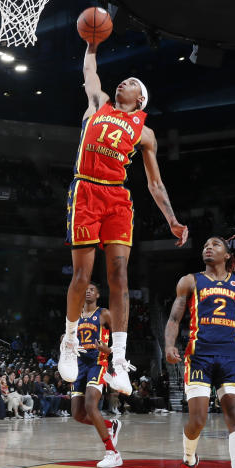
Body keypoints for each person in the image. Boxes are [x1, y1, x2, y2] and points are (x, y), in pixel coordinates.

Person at [59, 39, 189, 397]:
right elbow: (89, 72)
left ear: (140, 99)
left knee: (119, 276)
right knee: (83, 276)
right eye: (123, 81)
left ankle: (118, 359)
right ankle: (68, 342)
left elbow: (155, 183)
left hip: (117, 197)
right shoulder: (98, 103)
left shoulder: (145, 133)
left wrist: (172, 220)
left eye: (131, 83)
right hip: (85, 190)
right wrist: (90, 45)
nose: (123, 83)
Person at [164, 237, 235, 468]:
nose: (208, 247)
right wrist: (170, 344)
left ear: (227, 255)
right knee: (197, 420)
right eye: (205, 244)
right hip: (199, 356)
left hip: (231, 358)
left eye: (215, 244)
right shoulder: (189, 281)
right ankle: (189, 461)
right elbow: (173, 319)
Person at [70, 282, 122, 467]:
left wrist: (107, 350)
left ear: (98, 295)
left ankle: (112, 452)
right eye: (86, 289)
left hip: (97, 363)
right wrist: (65, 339)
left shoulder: (104, 313)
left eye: (92, 289)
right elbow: (68, 337)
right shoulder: (75, 314)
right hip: (79, 364)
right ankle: (111, 426)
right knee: (77, 414)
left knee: (91, 406)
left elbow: (119, 339)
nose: (88, 291)